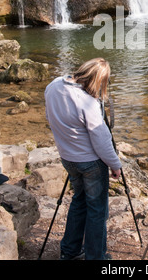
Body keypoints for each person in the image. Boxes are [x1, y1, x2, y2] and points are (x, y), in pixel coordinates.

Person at [45, 57, 121, 260]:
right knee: (97, 210)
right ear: (98, 81)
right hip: (91, 163)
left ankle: (69, 251)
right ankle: (96, 257)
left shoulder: (53, 86)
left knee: (79, 201)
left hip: (67, 158)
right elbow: (102, 141)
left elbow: (49, 117)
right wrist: (115, 165)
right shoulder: (87, 102)